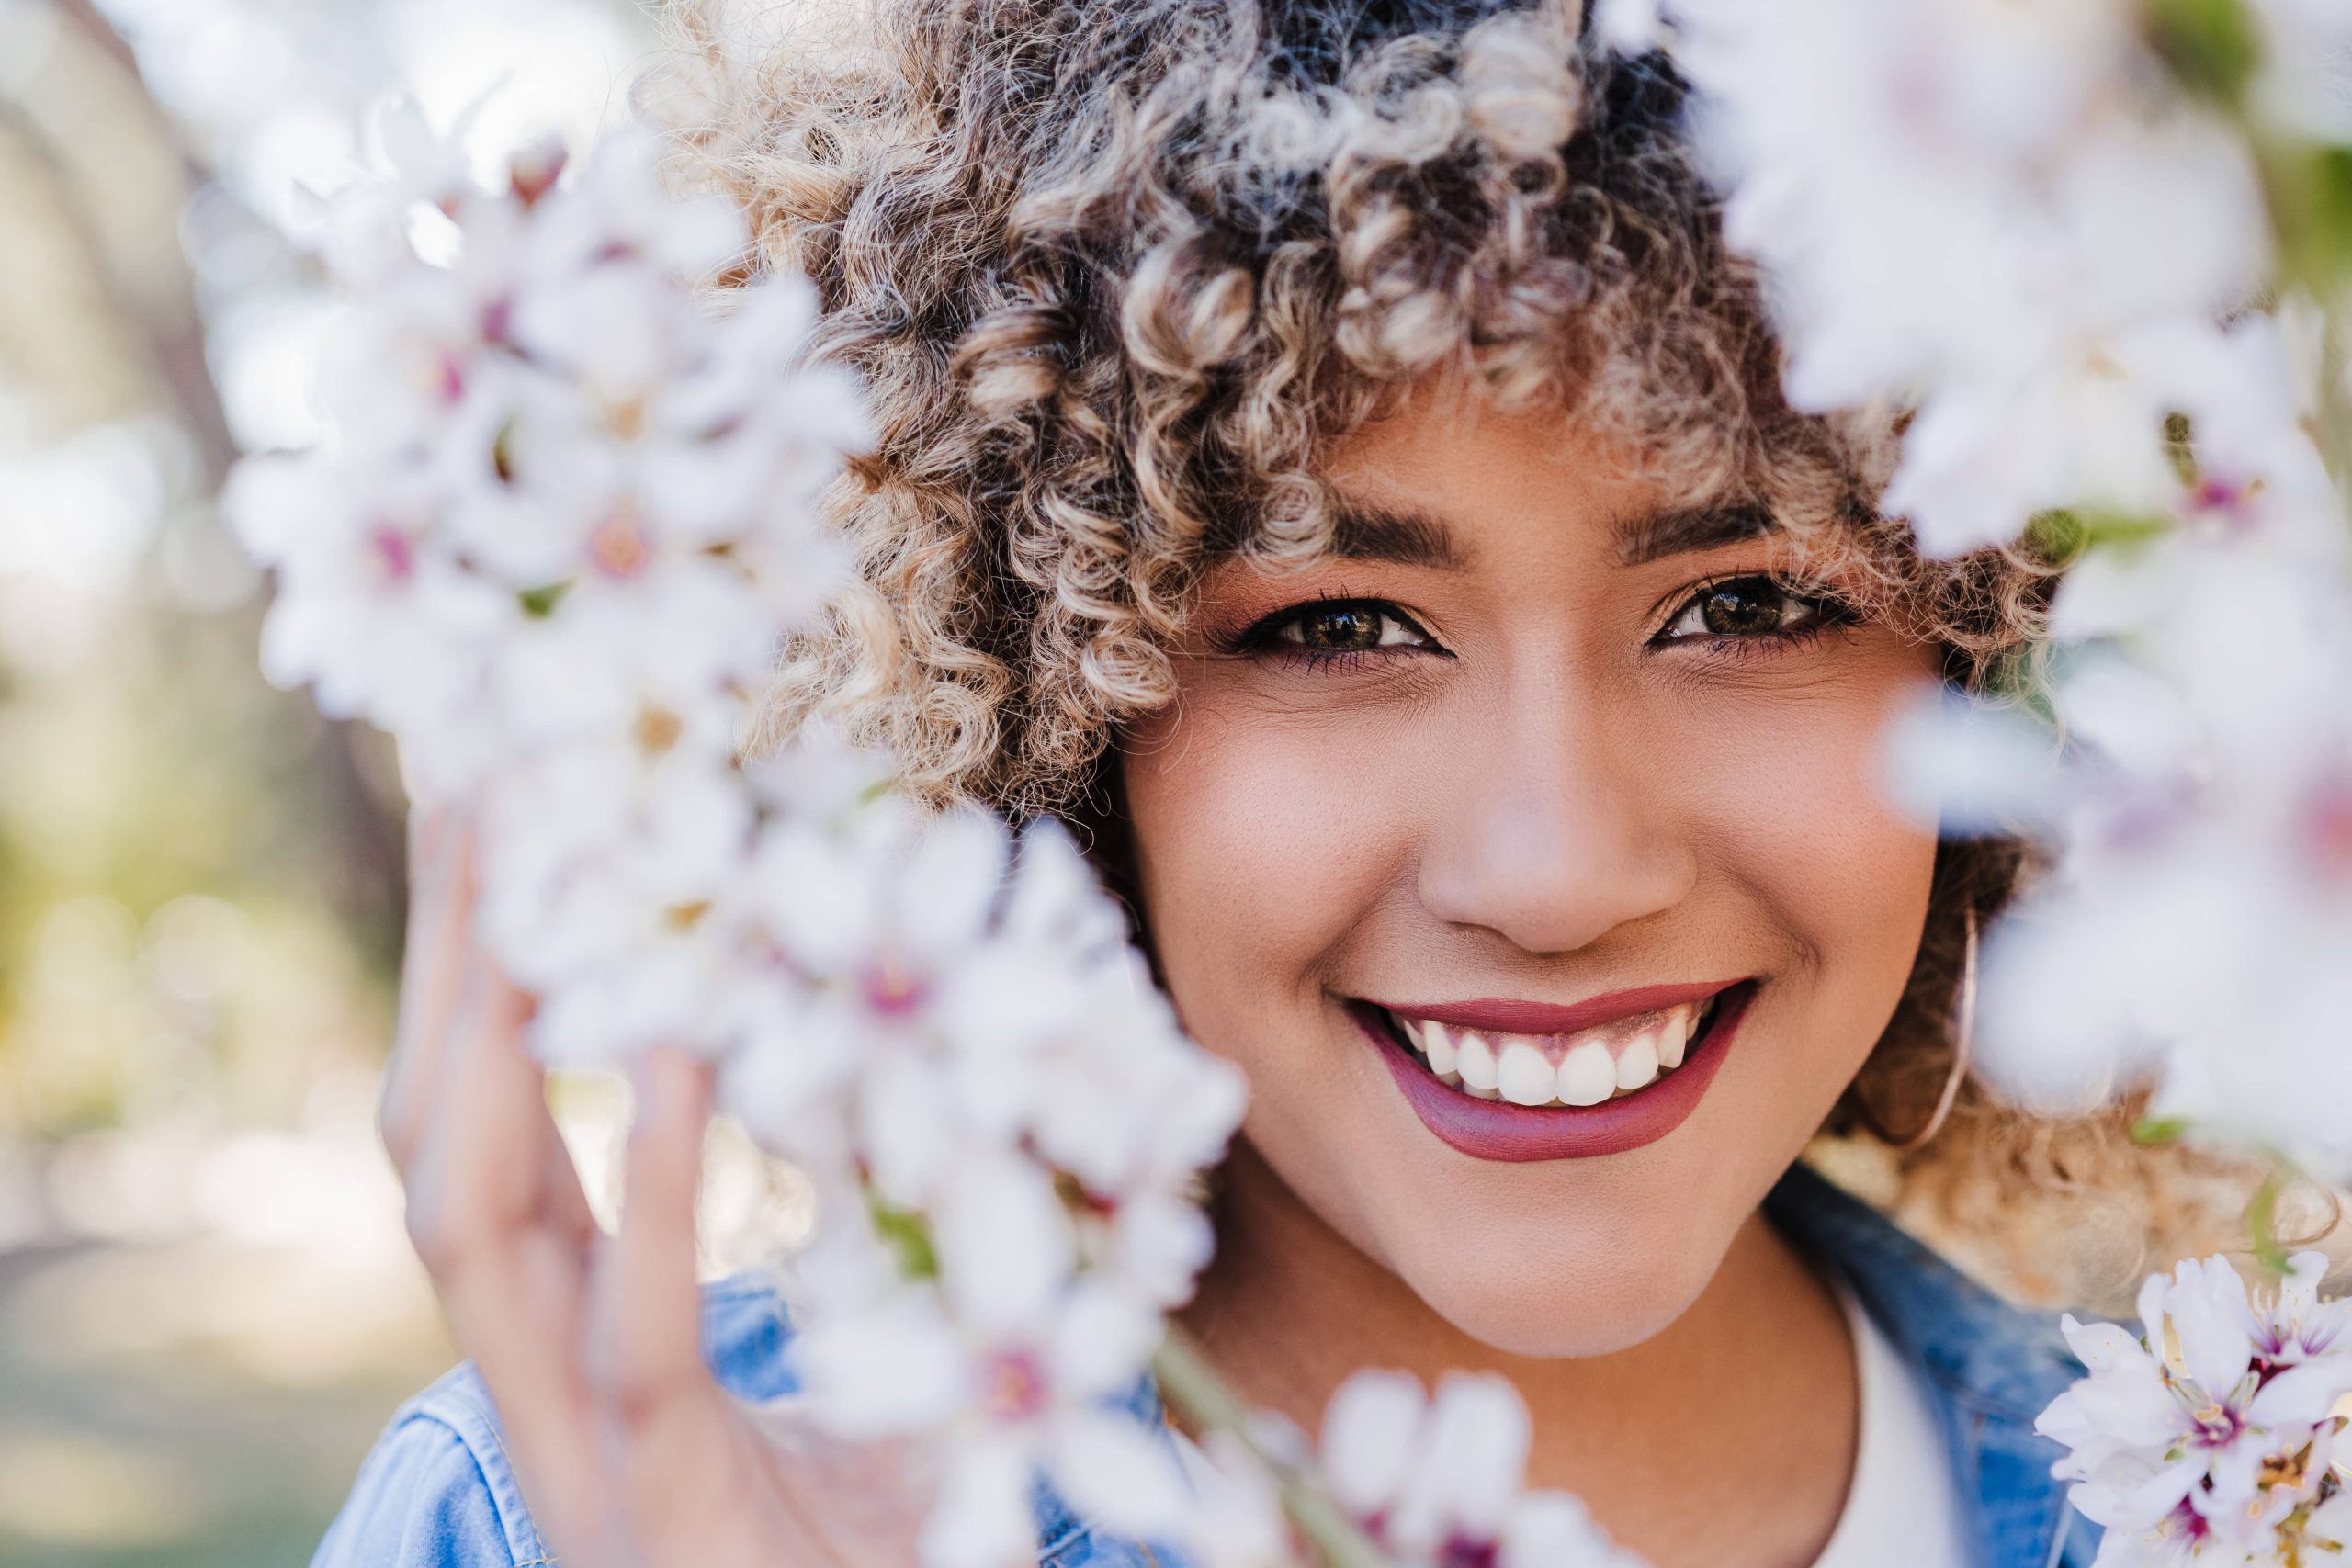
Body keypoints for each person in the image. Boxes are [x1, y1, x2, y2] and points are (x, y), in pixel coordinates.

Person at [312, 3, 2184, 1564]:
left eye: (1748, 599)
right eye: (1338, 627)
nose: (1556, 871)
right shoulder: (558, 1518)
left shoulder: (2237, 1504)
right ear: (1043, 703)